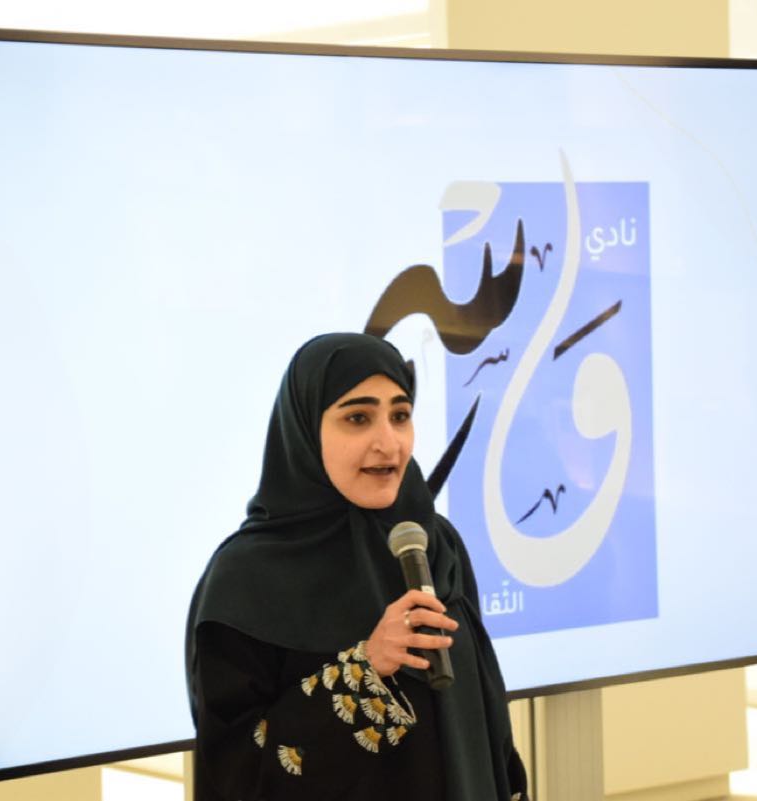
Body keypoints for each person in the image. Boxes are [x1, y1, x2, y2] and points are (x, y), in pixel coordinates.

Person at [185, 332, 529, 801]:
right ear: (305, 430)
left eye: (400, 416)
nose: (388, 443)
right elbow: (238, 773)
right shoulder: (245, 580)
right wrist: (365, 670)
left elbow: (489, 726)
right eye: (358, 418)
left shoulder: (435, 545)